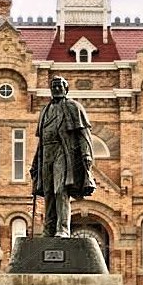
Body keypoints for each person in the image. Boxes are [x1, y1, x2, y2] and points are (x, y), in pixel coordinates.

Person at [30, 76, 96, 237]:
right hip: (46, 153)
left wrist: (86, 154)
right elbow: (42, 138)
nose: (57, 89)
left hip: (62, 151)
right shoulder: (45, 110)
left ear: (66, 89)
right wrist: (35, 162)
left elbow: (84, 134)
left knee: (60, 190)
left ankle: (63, 229)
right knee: (48, 192)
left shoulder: (73, 107)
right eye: (54, 86)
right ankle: (49, 228)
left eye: (60, 86)